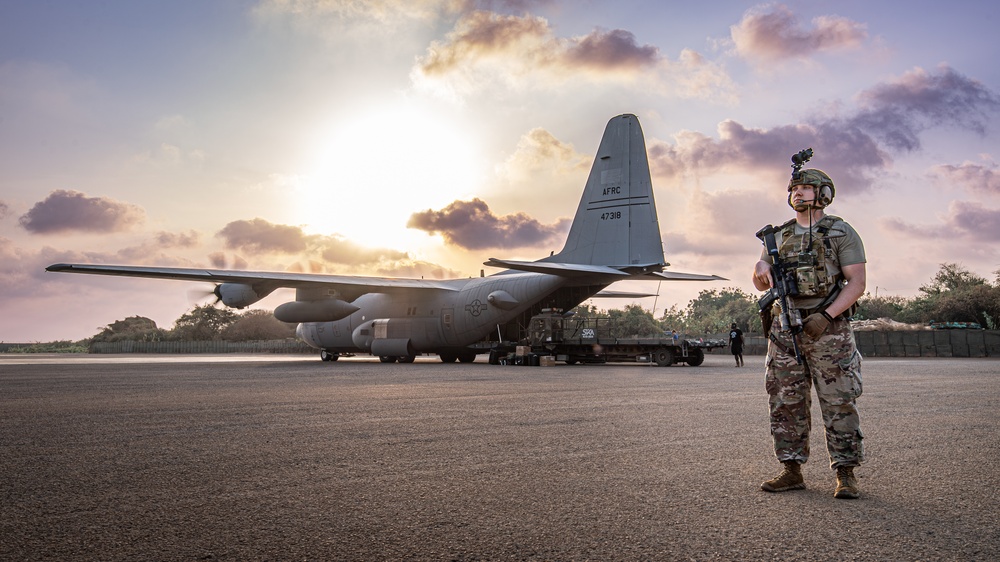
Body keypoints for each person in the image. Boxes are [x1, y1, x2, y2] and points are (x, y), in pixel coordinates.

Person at [751, 163, 867, 499]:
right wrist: (759, 268)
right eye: (793, 189)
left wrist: (827, 316)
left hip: (829, 331)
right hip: (785, 329)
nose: (796, 193)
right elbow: (761, 284)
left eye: (804, 187)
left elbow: (857, 283)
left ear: (823, 194)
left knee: (840, 399)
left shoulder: (841, 232)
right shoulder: (778, 236)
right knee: (785, 401)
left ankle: (846, 473)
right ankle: (791, 470)